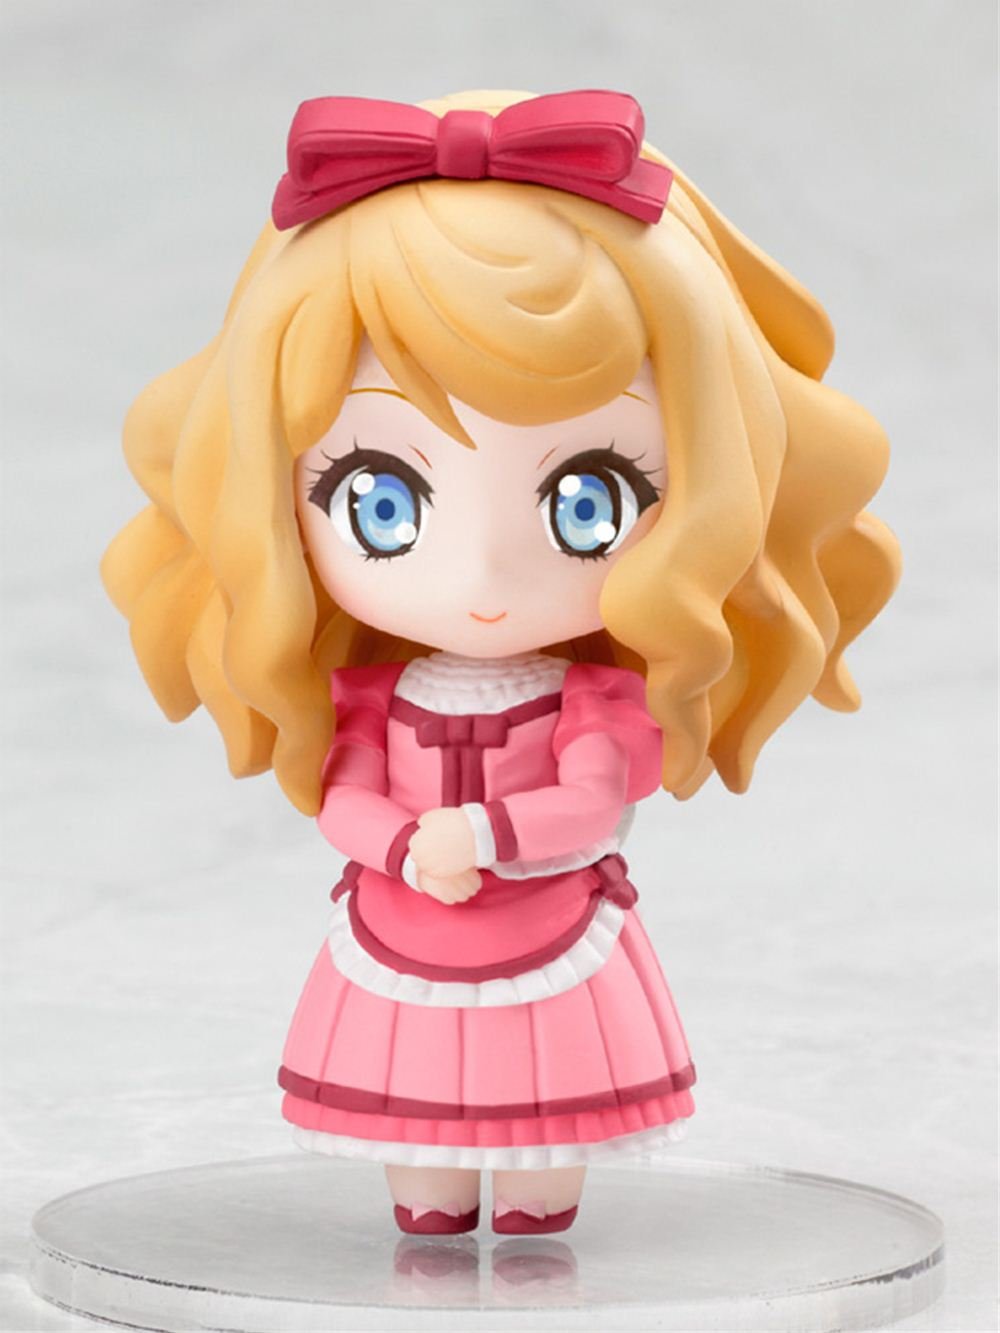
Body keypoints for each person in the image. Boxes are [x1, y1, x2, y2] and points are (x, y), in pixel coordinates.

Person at [101, 88, 901, 1236]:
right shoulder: (372, 698)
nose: (481, 569)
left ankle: (530, 1218)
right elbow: (343, 794)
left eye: (588, 500)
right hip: (402, 926)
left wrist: (479, 837)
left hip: (546, 923)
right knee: (415, 1145)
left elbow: (592, 798)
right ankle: (430, 1210)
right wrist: (397, 846)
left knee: (542, 1155)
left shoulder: (594, 700)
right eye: (380, 500)